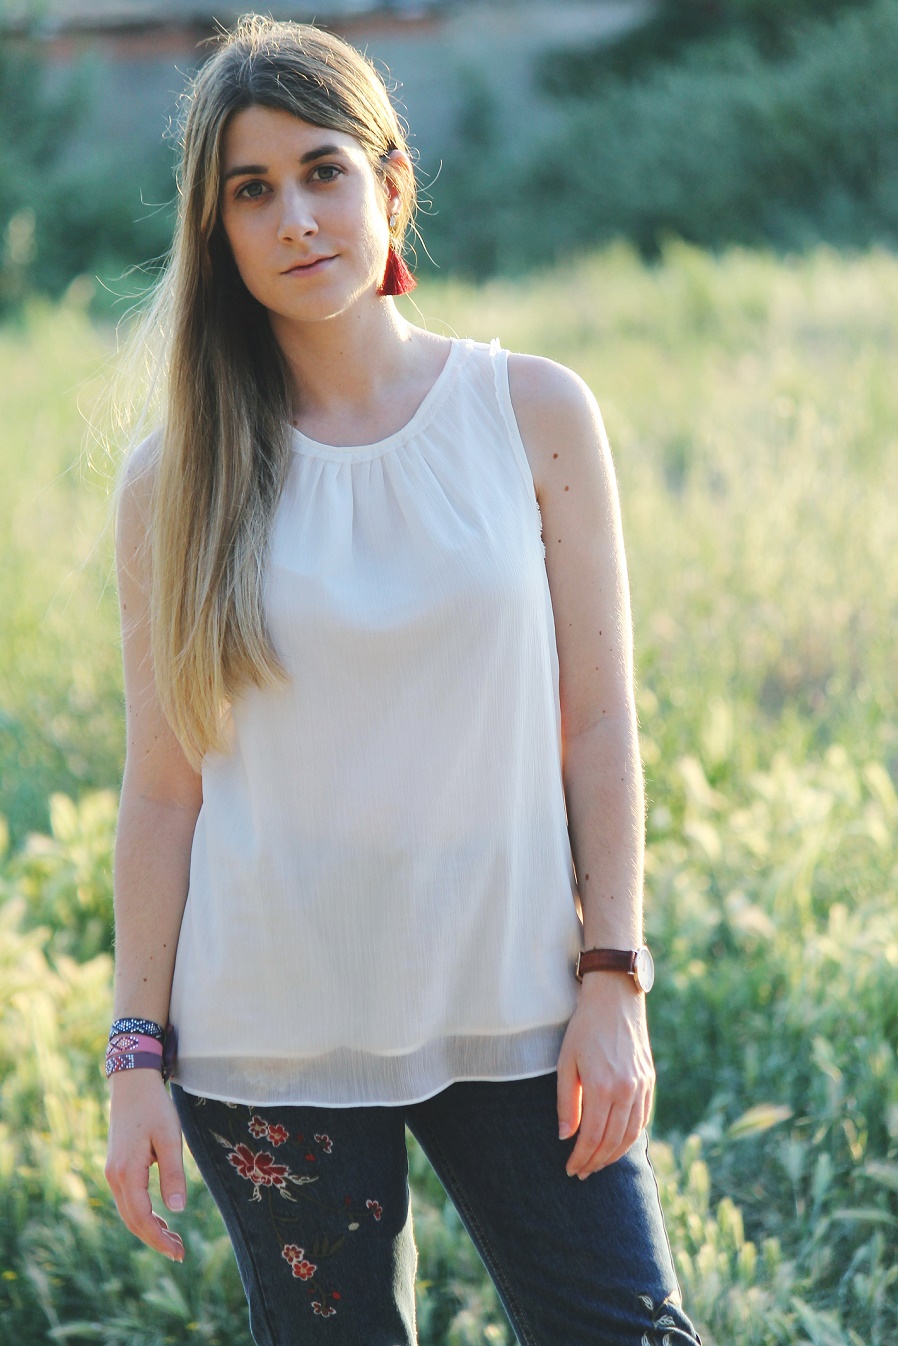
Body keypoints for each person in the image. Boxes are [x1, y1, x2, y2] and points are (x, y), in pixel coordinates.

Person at [103, 15, 702, 1346]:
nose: (295, 217)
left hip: (521, 1002)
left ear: (390, 179)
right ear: (215, 230)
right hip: (268, 1030)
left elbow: (599, 720)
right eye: (249, 191)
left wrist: (615, 974)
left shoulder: (531, 412)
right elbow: (163, 792)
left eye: (322, 170)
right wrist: (134, 1056)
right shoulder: (174, 484)